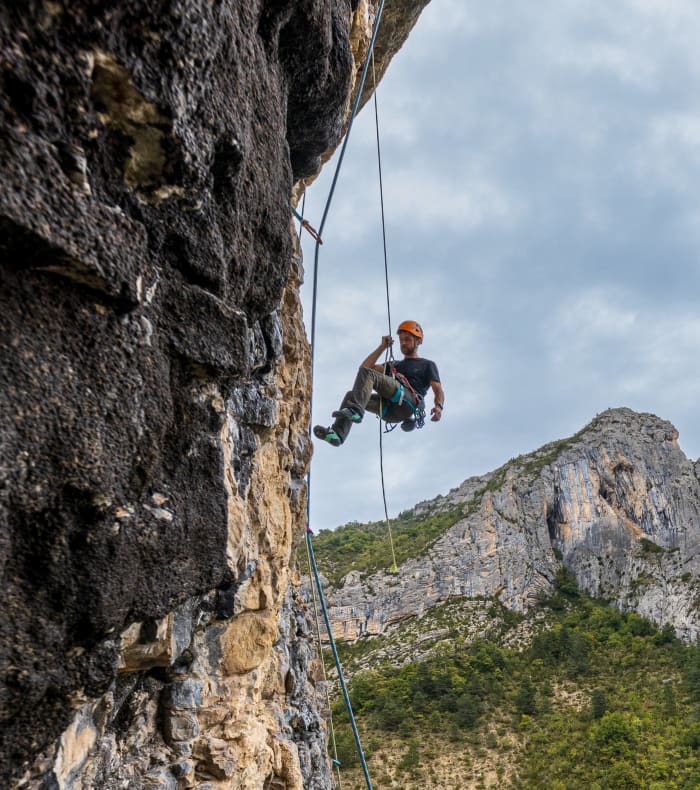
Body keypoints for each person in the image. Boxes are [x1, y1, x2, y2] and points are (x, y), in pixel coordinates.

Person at [313, 320, 444, 446]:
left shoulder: (427, 365)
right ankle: (338, 434)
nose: (403, 343)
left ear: (419, 341)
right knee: (351, 395)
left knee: (367, 377)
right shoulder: (394, 365)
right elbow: (364, 369)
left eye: (408, 339)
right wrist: (382, 347)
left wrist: (438, 406)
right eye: (401, 340)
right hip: (390, 412)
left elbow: (437, 389)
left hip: (407, 401)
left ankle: (355, 410)